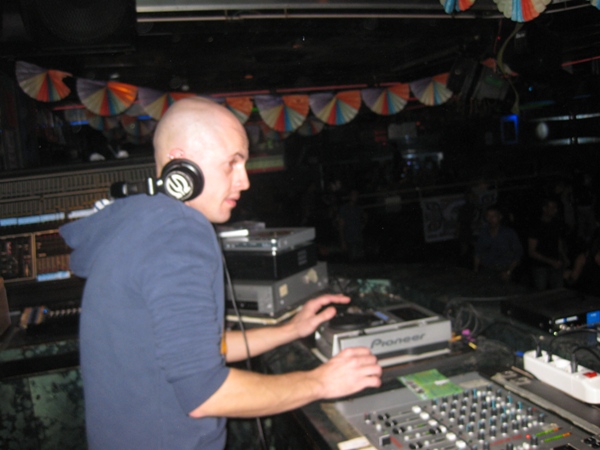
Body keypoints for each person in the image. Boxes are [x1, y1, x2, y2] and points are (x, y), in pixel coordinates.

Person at [59, 98, 382, 450]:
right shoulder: (178, 232)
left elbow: (200, 349)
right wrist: (322, 382)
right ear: (181, 165)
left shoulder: (141, 224)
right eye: (232, 163)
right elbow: (206, 394)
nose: (244, 181)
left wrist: (290, 330)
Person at [527, 197, 570, 291]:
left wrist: (564, 257)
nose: (555, 210)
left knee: (558, 291)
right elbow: (531, 251)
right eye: (552, 207)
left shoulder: (556, 224)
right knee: (541, 292)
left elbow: (559, 243)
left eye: (556, 207)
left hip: (556, 264)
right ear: (544, 208)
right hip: (540, 266)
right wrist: (551, 262)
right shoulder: (535, 226)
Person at [473, 204, 523, 283]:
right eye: (488, 216)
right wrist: (476, 270)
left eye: (494, 216)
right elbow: (478, 252)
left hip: (504, 269)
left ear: (500, 217)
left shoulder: (509, 233)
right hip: (487, 270)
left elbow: (518, 254)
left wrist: (509, 272)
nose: (491, 219)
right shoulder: (483, 232)